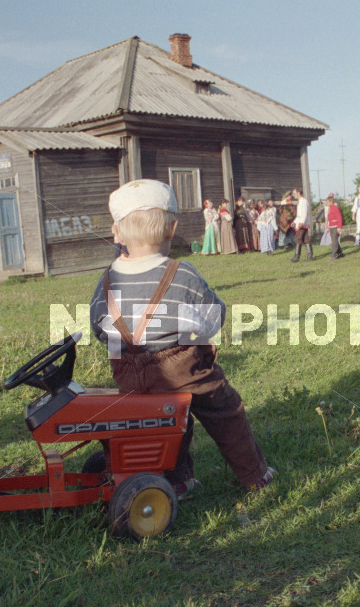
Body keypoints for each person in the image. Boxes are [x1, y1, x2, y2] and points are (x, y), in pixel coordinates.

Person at [89, 179, 274, 497]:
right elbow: (214, 316)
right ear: (171, 229)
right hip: (181, 367)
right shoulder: (182, 273)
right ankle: (253, 474)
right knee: (223, 410)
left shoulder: (107, 279)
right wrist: (199, 333)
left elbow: (97, 325)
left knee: (165, 420)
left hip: (129, 373)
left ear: (116, 232)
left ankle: (176, 480)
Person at [290, 188, 313, 262]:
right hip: (301, 222)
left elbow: (304, 213)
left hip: (302, 224)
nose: (293, 195)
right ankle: (310, 256)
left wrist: (301, 222)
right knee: (306, 239)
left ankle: (297, 257)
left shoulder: (303, 201)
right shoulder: (300, 202)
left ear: (299, 192)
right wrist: (295, 221)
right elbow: (299, 215)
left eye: (294, 193)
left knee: (298, 239)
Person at [324, 194, 344, 259]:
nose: (326, 203)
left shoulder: (335, 208)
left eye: (327, 202)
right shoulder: (330, 209)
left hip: (335, 226)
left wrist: (339, 227)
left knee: (334, 241)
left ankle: (333, 255)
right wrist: (327, 227)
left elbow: (339, 218)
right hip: (331, 227)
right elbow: (329, 219)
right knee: (334, 240)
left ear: (331, 202)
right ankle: (340, 253)